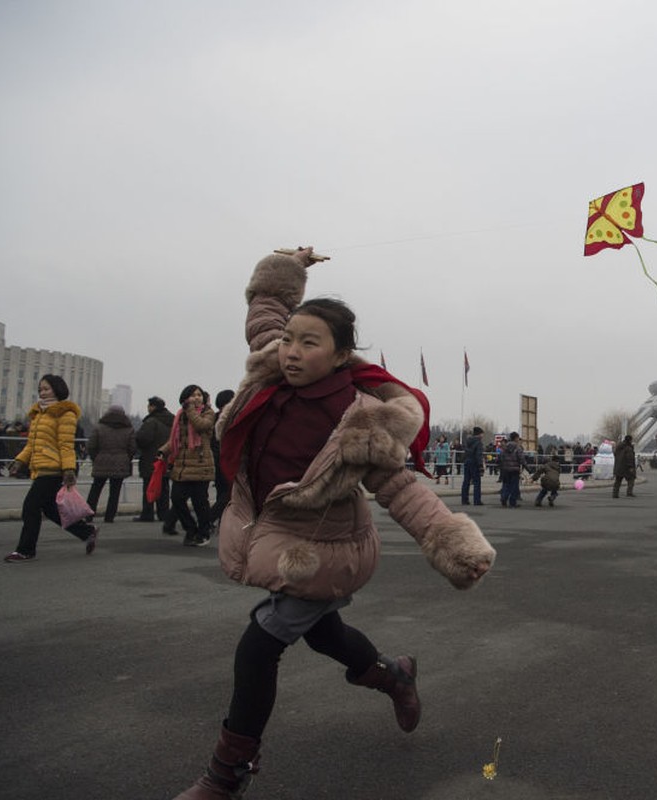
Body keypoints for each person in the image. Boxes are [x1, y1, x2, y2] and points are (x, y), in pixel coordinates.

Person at [173, 247, 496, 799]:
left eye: (309, 343)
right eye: (290, 339)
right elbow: (265, 314)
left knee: (259, 646)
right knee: (324, 634)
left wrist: (450, 543)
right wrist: (286, 267)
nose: (292, 351)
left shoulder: (358, 418)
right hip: (277, 537)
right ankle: (394, 675)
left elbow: (399, 489)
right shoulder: (274, 371)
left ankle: (225, 776)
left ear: (341, 354)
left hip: (326, 549)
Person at [3, 375, 99, 562]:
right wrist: (19, 461)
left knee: (30, 507)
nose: (42, 392)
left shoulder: (65, 413)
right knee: (51, 510)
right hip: (39, 467)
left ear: (57, 389)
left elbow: (65, 444)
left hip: (54, 469)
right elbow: (31, 444)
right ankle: (87, 532)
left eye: (46, 388)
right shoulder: (39, 414)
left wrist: (69, 470)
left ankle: (26, 550)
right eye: (40, 389)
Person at [158, 384, 216, 547]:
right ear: (185, 398)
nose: (197, 398)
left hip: (201, 464)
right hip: (182, 465)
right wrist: (163, 451)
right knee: (176, 498)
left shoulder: (208, 413)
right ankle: (191, 529)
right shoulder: (180, 416)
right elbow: (176, 440)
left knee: (200, 503)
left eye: (199, 395)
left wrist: (190, 410)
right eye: (193, 395)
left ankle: (203, 533)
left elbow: (201, 426)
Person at [85, 404, 136, 523]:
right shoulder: (129, 429)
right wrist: (126, 458)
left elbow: (91, 446)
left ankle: (89, 515)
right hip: (120, 462)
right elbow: (132, 448)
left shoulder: (99, 427)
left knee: (95, 490)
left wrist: (96, 458)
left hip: (101, 461)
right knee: (115, 492)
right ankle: (109, 517)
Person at [134, 397, 175, 524]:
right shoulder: (172, 420)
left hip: (151, 459)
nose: (148, 408)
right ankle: (164, 513)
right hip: (167, 459)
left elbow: (143, 439)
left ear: (153, 407)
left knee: (150, 487)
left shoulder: (151, 422)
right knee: (164, 488)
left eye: (149, 405)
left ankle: (147, 513)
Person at [209, 389, 236, 528]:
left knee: (221, 492)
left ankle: (221, 521)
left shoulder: (213, 417)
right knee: (228, 493)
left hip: (215, 460)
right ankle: (210, 518)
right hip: (226, 459)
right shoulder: (230, 418)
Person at [497, 431, 527, 508]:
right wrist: (527, 468)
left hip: (506, 469)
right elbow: (521, 459)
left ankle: (504, 498)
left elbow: (501, 458)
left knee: (507, 485)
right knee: (514, 486)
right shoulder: (518, 448)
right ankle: (512, 503)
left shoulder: (505, 447)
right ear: (516, 438)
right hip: (515, 470)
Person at [461, 426, 484, 505]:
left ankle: (464, 499)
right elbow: (478, 455)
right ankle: (477, 500)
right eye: (482, 434)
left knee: (466, 481)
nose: (482, 436)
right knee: (477, 482)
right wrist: (481, 466)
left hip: (467, 462)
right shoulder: (479, 442)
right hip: (475, 463)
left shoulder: (468, 441)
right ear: (479, 434)